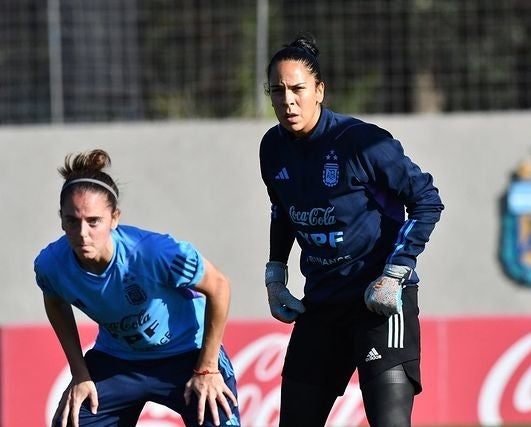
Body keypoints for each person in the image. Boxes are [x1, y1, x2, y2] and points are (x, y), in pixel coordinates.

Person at [259, 35, 444, 427]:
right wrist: (276, 275)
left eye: (297, 89)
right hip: (322, 304)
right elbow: (283, 209)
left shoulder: (363, 141)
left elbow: (426, 200)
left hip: (380, 302)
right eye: (277, 91)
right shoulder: (272, 147)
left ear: (319, 90)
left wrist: (396, 272)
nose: (287, 101)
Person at [34, 149, 240, 427]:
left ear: (114, 218)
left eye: (94, 221)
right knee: (70, 420)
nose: (83, 233)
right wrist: (80, 373)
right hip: (118, 360)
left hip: (187, 355)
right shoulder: (51, 265)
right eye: (72, 221)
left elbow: (220, 286)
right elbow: (55, 302)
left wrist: (207, 368)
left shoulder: (155, 253)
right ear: (62, 219)